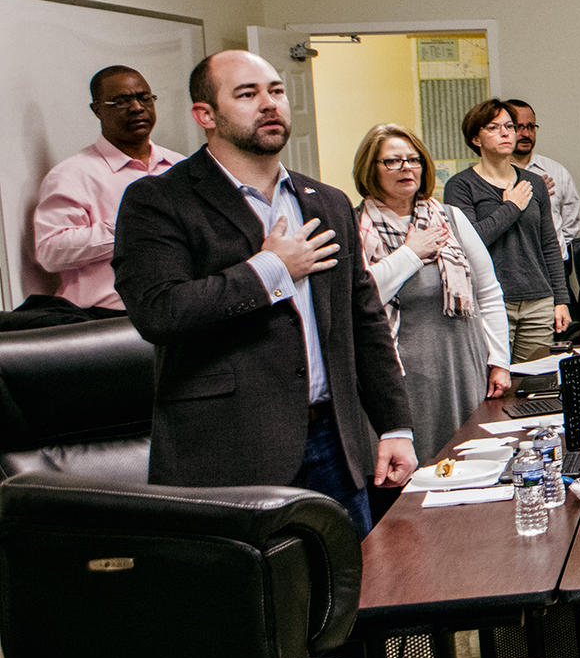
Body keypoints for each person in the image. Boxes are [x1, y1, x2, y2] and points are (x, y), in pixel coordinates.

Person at [114, 50, 413, 532]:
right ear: (205, 115)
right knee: (254, 604)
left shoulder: (328, 201)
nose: (269, 104)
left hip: (335, 446)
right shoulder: (159, 200)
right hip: (229, 455)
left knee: (358, 597)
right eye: (248, 94)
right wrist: (271, 268)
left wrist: (395, 426)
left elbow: (364, 321)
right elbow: (159, 311)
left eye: (276, 91)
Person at [351, 123, 508, 459]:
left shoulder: (449, 218)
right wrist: (410, 254)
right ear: (369, 170)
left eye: (414, 159)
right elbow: (361, 296)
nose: (407, 168)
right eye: (392, 161)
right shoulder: (354, 227)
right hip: (402, 376)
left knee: (470, 462)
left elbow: (488, 293)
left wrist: (499, 361)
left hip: (462, 366)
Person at [29, 65, 186, 314]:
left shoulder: (180, 166)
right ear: (98, 110)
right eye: (121, 102)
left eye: (144, 97)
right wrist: (129, 229)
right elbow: (50, 252)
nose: (137, 108)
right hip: (105, 320)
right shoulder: (73, 175)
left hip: (179, 311)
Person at [445, 99, 571, 362]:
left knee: (534, 384)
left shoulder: (534, 182)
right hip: (490, 301)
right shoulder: (461, 186)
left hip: (538, 300)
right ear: (475, 138)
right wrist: (511, 206)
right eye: (493, 127)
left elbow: (549, 244)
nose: (506, 133)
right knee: (496, 382)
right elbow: (471, 242)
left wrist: (561, 299)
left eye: (509, 126)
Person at [504, 98, 580, 261]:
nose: (526, 134)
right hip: (511, 265)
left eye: (531, 127)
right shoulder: (492, 175)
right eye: (518, 127)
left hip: (554, 262)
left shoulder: (556, 171)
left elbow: (571, 222)